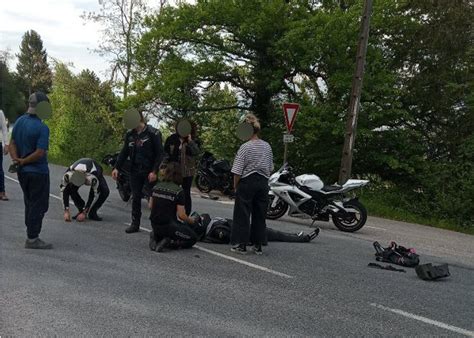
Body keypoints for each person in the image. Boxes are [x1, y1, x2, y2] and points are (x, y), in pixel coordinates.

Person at [9, 92, 52, 249]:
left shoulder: (19, 121)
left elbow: (12, 143)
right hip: (38, 171)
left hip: (23, 172)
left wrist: (17, 160)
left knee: (29, 202)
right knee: (39, 204)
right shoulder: (42, 128)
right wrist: (25, 160)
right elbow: (40, 152)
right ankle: (33, 238)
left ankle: (31, 233)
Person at [112, 111, 163, 233]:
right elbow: (124, 152)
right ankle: (135, 223)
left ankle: (158, 226)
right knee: (135, 197)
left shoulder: (153, 133)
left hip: (149, 170)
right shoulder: (130, 135)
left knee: (154, 200)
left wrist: (155, 171)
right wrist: (116, 168)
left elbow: (160, 154)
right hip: (134, 170)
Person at [230, 114, 274, 255]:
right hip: (263, 182)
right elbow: (271, 167)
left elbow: (237, 170)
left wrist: (235, 186)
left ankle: (241, 245)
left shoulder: (245, 147)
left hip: (247, 181)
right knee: (260, 214)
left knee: (242, 213)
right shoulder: (267, 146)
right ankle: (258, 245)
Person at [149, 161, 197, 253]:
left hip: (154, 223)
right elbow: (181, 215)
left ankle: (156, 236)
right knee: (192, 238)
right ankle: (170, 242)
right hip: (169, 225)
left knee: (167, 229)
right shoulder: (178, 191)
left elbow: (150, 206)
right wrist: (192, 220)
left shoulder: (156, 187)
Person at [164, 120, 200, 215]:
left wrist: (190, 141)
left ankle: (186, 215)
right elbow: (165, 153)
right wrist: (164, 166)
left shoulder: (194, 140)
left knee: (186, 193)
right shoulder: (171, 138)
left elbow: (196, 152)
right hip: (173, 170)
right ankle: (171, 215)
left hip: (187, 171)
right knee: (172, 192)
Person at [60, 158, 110, 222]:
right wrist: (66, 211)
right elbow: (64, 191)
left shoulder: (92, 178)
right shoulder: (68, 175)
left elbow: (94, 194)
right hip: (78, 172)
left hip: (95, 171)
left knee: (105, 191)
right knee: (71, 190)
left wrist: (85, 212)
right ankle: (80, 208)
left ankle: (92, 212)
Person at [0, 109, 9, 201]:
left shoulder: (0, 113)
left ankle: (2, 192)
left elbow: (4, 128)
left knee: (0, 169)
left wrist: (6, 144)